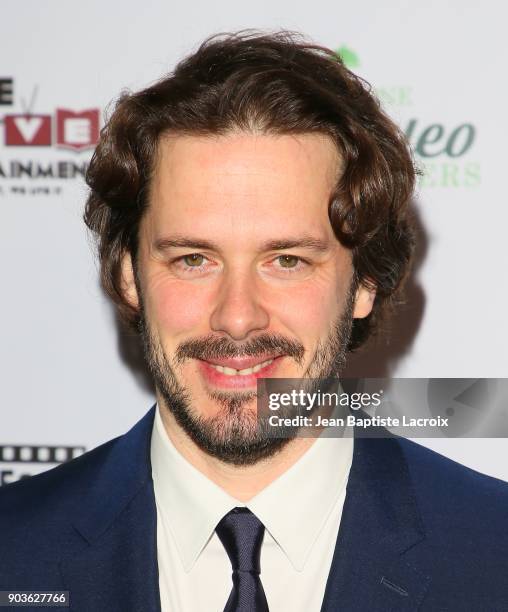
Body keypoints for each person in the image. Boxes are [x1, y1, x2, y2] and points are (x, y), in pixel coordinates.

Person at [0, 31, 507, 612]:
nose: (237, 317)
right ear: (128, 276)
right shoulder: (13, 552)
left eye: (287, 261)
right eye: (193, 259)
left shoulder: (493, 554)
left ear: (365, 280)